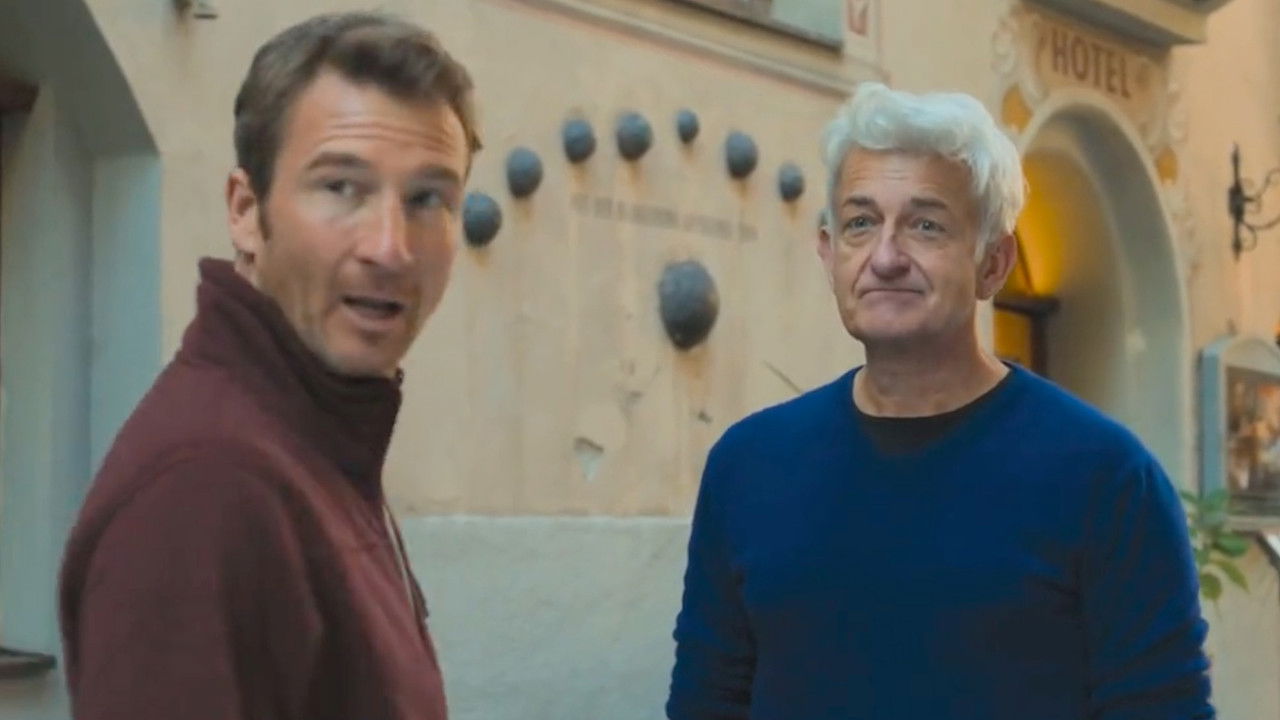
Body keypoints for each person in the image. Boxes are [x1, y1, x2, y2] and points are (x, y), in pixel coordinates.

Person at [666, 82, 1213, 719]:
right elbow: (706, 705)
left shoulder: (1105, 480)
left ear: (993, 263)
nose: (885, 257)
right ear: (828, 252)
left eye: (926, 225)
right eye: (860, 223)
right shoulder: (748, 467)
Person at [58, 12, 480, 720]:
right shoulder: (208, 485)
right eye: (341, 187)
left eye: (427, 199)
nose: (391, 248)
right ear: (247, 211)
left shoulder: (313, 433)